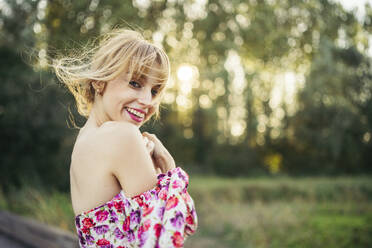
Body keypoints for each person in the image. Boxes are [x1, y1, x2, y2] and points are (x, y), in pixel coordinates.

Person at [53, 29, 198, 248]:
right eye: (135, 83)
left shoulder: (84, 141)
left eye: (155, 91)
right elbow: (169, 233)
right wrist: (168, 168)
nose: (147, 100)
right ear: (100, 81)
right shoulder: (122, 135)